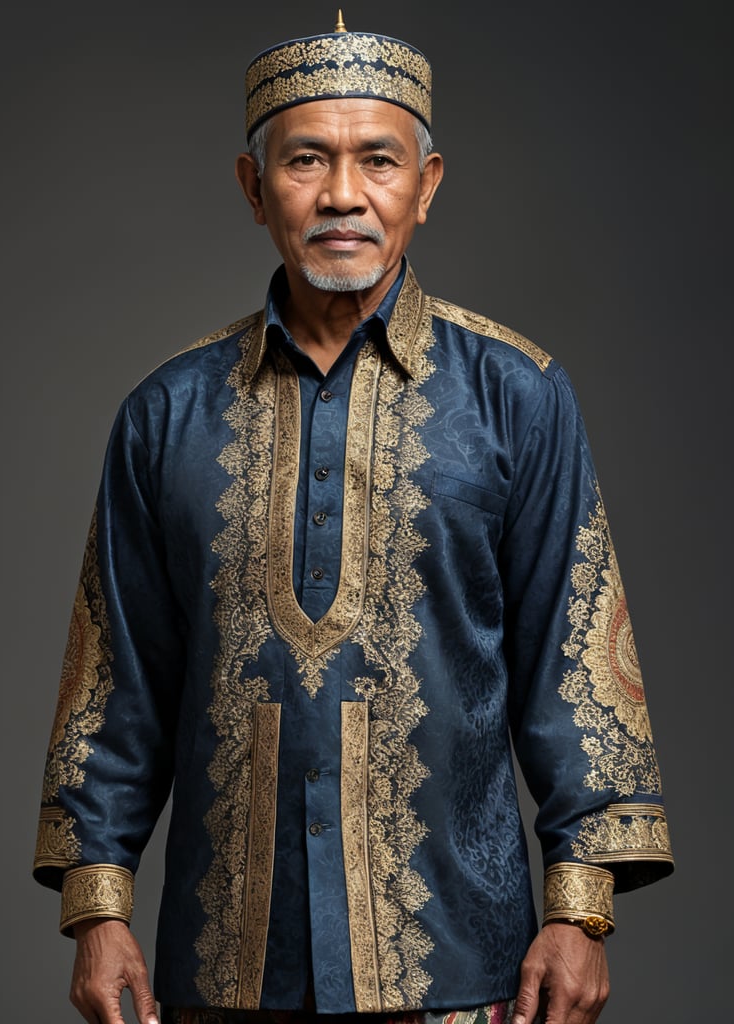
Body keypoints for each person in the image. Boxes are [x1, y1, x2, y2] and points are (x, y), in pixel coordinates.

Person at [34, 14, 673, 1024]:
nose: (342, 194)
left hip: (467, 976)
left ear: (426, 183)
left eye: (378, 158)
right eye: (306, 160)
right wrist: (97, 908)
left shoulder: (518, 395)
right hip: (224, 975)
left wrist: (579, 913)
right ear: (254, 187)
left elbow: (577, 663)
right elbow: (117, 682)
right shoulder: (166, 414)